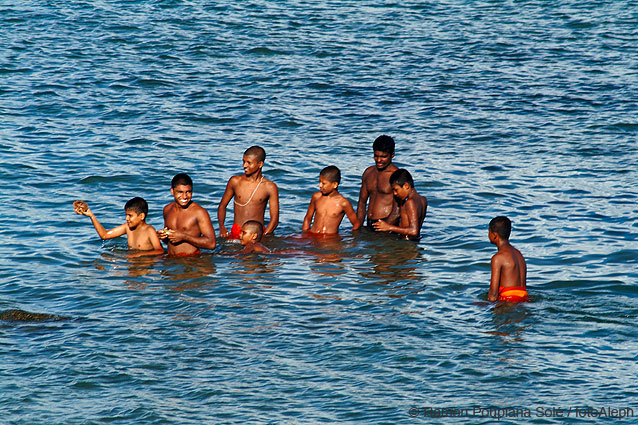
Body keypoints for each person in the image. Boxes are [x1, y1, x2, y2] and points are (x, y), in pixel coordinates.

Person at [218, 146, 279, 239]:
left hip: (257, 234)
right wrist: (222, 227)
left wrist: (264, 236)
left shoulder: (270, 187)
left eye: (249, 163)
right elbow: (222, 206)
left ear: (260, 164)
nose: (244, 166)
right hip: (237, 231)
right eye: (243, 162)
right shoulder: (235, 181)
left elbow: (274, 219)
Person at [73, 197, 164, 256]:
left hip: (145, 265)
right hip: (131, 261)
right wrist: (91, 216)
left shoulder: (149, 230)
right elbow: (104, 235)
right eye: (126, 215)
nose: (126, 218)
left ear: (141, 216)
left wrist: (138, 255)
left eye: (130, 215)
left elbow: (160, 251)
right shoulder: (127, 227)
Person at [158, 173, 216, 256]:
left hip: (191, 261)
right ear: (172, 191)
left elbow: (211, 243)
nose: (185, 197)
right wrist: (162, 237)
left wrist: (184, 237)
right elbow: (171, 241)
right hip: (170, 260)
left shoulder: (199, 212)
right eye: (180, 192)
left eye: (188, 192)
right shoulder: (167, 209)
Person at [356, 135, 400, 230]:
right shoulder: (368, 172)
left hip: (387, 223)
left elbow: (398, 209)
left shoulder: (396, 175)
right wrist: (357, 227)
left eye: (383, 157)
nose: (379, 160)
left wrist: (386, 227)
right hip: (370, 223)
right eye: (376, 156)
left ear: (392, 155)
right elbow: (362, 203)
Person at [302, 166, 361, 235]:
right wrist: (304, 233)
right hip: (312, 234)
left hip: (329, 238)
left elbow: (356, 224)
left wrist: (348, 238)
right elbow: (308, 217)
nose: (319, 185)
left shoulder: (343, 203)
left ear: (335, 185)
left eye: (323, 183)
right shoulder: (317, 197)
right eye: (319, 182)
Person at [372, 169, 427, 240]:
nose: (395, 193)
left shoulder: (410, 202)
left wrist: (388, 227)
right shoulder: (423, 199)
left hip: (406, 244)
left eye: (396, 190)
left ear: (406, 186)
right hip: (415, 241)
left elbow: (414, 231)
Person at [487, 216, 528, 302]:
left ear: (494, 235)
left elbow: (493, 294)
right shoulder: (519, 254)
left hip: (507, 302)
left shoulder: (498, 258)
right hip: (524, 300)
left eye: (489, 232)